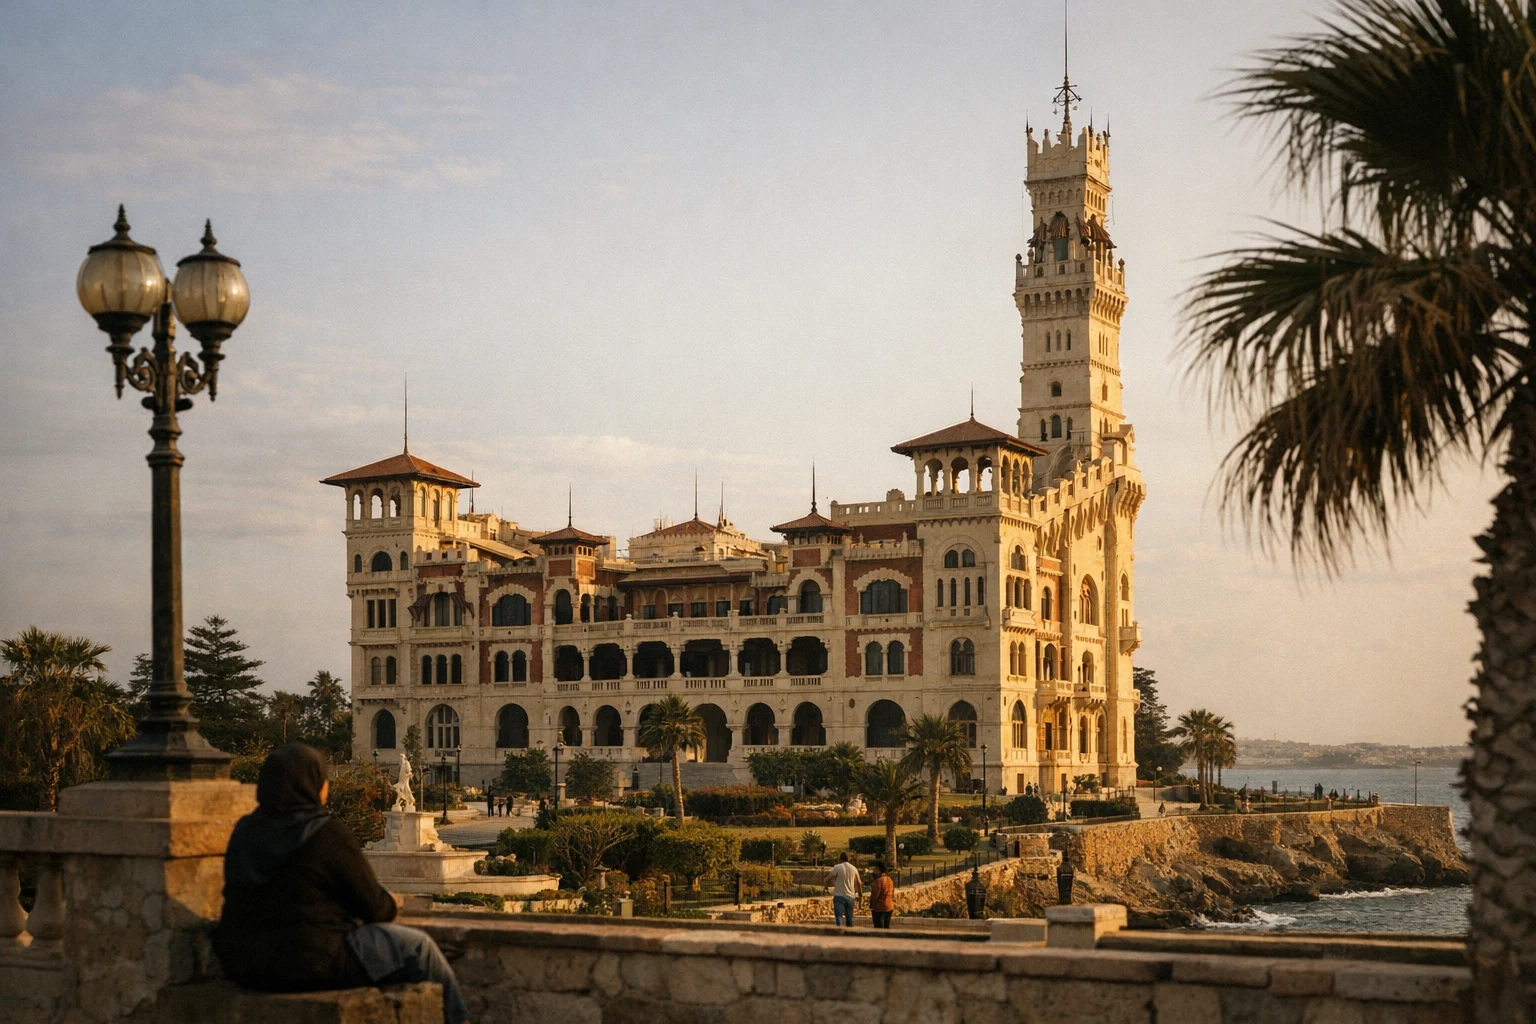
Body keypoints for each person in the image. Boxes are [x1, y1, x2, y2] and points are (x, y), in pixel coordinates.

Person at [213, 744, 470, 1024]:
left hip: (243, 962)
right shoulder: (324, 833)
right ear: (314, 785)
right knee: (419, 947)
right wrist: (392, 902)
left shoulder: (245, 830)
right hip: (311, 962)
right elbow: (376, 908)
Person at [826, 851, 861, 927]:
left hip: (839, 896)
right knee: (849, 918)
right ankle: (850, 932)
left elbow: (828, 878)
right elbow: (859, 883)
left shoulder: (837, 867)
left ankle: (840, 931)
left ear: (840, 859)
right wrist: (860, 895)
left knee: (839, 917)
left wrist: (830, 883)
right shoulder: (854, 868)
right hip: (850, 896)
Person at [868, 860, 895, 929]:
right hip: (890, 906)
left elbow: (875, 896)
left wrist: (872, 906)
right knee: (886, 926)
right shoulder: (890, 880)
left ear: (878, 870)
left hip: (880, 907)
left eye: (875, 869)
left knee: (879, 928)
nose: (873, 871)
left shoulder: (878, 881)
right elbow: (892, 893)